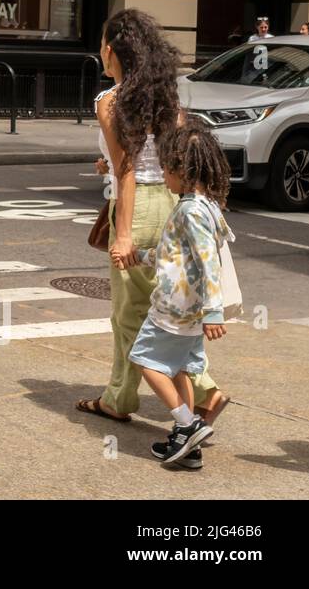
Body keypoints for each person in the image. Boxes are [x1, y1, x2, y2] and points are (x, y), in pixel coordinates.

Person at [77, 8, 226, 427]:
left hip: (137, 206)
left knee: (129, 312)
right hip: (173, 203)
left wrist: (123, 234)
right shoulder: (167, 98)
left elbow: (128, 170)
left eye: (103, 44)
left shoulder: (110, 101)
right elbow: (169, 157)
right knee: (173, 306)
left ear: (112, 50)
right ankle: (200, 388)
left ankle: (126, 399)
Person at [129, 118, 231, 468]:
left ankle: (189, 425)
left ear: (182, 170)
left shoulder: (190, 211)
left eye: (166, 170)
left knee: (145, 361)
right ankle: (188, 445)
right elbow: (175, 254)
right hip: (190, 313)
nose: (162, 176)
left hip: (174, 310)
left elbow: (208, 263)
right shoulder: (206, 206)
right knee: (180, 370)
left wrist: (214, 311)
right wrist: (140, 258)